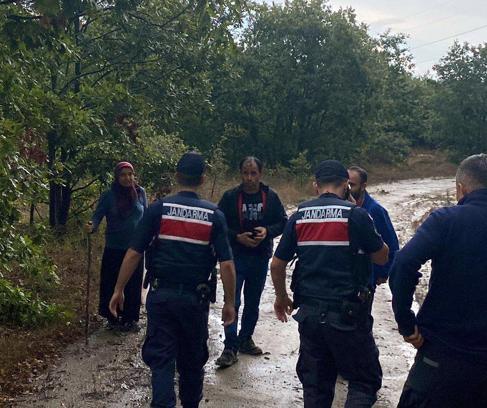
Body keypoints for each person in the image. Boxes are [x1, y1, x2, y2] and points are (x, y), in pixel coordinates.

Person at [109, 152, 236, 408]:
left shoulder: (159, 209)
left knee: (162, 360)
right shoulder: (214, 215)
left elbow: (135, 252)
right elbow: (227, 264)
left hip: (162, 297)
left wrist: (118, 289)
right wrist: (230, 302)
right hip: (194, 300)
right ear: (202, 179)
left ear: (177, 176)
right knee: (191, 360)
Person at [270, 160, 389, 408]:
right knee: (363, 382)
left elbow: (277, 264)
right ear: (346, 184)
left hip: (310, 316)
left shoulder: (300, 216)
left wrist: (281, 297)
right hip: (347, 317)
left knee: (315, 388)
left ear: (316, 186)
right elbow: (381, 256)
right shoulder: (355, 214)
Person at [389, 153, 487, 408]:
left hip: (443, 354)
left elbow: (402, 264)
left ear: (460, 189)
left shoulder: (446, 220)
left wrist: (406, 323)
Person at [215, 156, 287, 368]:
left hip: (260, 257)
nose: (249, 178)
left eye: (253, 173)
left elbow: (283, 222)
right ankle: (230, 346)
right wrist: (236, 237)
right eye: (245, 173)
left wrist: (268, 232)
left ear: (260, 174)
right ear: (240, 174)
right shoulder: (230, 197)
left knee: (252, 302)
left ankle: (245, 338)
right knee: (233, 301)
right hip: (235, 256)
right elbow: (218, 225)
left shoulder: (270, 197)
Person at [85, 161, 147, 331]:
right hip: (114, 247)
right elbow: (97, 216)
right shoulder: (109, 195)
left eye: (130, 174)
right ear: (117, 177)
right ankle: (112, 318)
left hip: (135, 248)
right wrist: (92, 225)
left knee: (133, 284)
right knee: (111, 282)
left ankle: (130, 319)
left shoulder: (140, 193)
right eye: (123, 175)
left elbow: (146, 217)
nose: (127, 178)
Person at [348, 166, 399, 289]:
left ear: (363, 186)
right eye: (346, 184)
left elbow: (391, 243)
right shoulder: (341, 207)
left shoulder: (375, 210)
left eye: (352, 185)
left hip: (366, 280)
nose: (348, 189)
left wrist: (383, 272)